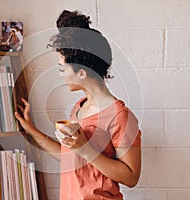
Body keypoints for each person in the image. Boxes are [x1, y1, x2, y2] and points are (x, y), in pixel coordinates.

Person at [14, 10, 141, 200]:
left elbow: (131, 177)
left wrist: (86, 150)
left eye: (62, 69)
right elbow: (71, 158)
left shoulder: (120, 116)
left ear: (82, 73)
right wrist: (32, 131)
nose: (60, 74)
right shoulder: (79, 108)